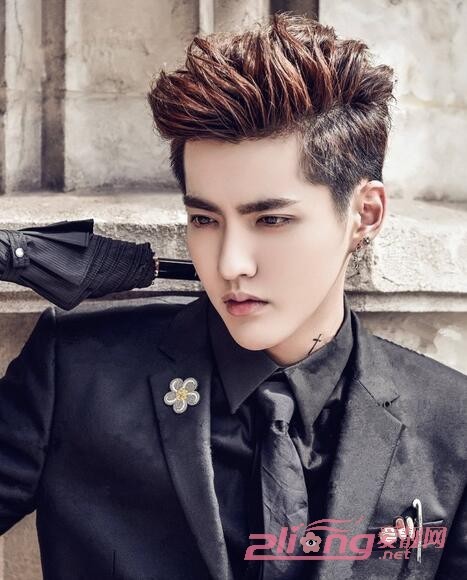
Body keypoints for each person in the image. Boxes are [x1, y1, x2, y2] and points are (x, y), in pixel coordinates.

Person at [0, 12, 465, 580]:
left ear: (364, 214)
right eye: (204, 218)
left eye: (271, 219)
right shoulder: (74, 376)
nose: (229, 264)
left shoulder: (451, 421)